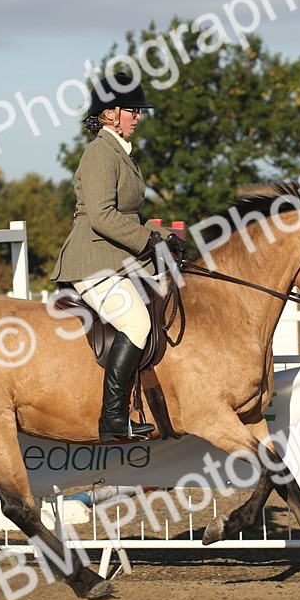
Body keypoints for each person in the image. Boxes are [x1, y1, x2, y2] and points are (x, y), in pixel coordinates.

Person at [51, 72, 188, 442]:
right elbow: (101, 216)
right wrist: (150, 240)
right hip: (93, 260)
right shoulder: (100, 154)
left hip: (116, 258)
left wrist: (165, 238)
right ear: (110, 113)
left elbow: (127, 215)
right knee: (136, 323)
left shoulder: (120, 154)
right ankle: (112, 418)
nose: (139, 116)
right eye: (133, 110)